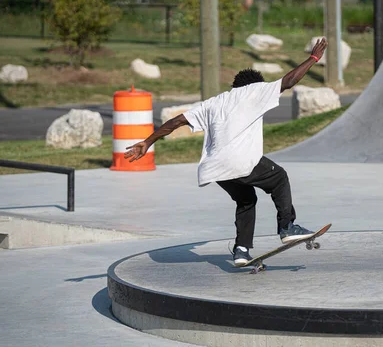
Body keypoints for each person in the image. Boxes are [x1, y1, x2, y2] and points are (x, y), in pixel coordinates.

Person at [125, 38, 328, 266]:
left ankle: (241, 250)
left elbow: (175, 122)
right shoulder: (257, 91)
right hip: (239, 162)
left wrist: (148, 141)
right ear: (254, 84)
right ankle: (287, 226)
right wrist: (313, 58)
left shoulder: (214, 102)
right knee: (279, 178)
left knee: (246, 200)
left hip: (215, 169)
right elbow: (290, 80)